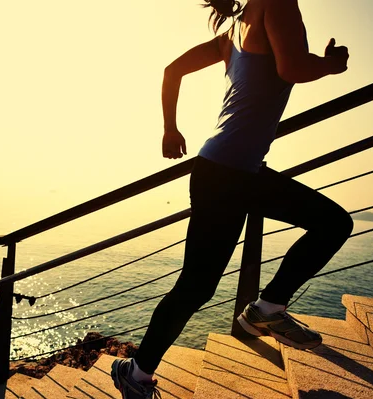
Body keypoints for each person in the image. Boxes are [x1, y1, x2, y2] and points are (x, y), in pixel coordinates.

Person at [110, 0, 352, 398]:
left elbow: (173, 71)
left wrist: (170, 130)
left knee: (197, 286)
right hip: (231, 174)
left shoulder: (234, 30)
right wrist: (331, 65)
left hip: (225, 171)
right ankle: (267, 308)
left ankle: (137, 372)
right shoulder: (277, 4)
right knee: (333, 224)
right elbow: (291, 68)